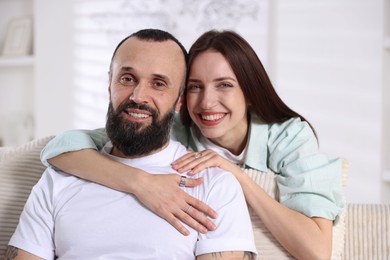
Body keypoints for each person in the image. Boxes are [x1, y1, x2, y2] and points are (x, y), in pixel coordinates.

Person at [39, 30, 344, 259]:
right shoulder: (172, 129)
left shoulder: (289, 136)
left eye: (224, 85)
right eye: (196, 87)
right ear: (181, 97)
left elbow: (316, 250)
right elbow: (61, 148)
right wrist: (140, 183)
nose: (207, 102)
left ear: (250, 92)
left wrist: (236, 175)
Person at [5, 29, 257, 260]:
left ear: (179, 101)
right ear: (109, 84)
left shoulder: (214, 186)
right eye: (127, 78)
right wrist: (140, 183)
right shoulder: (58, 179)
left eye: (158, 84)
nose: (137, 96)